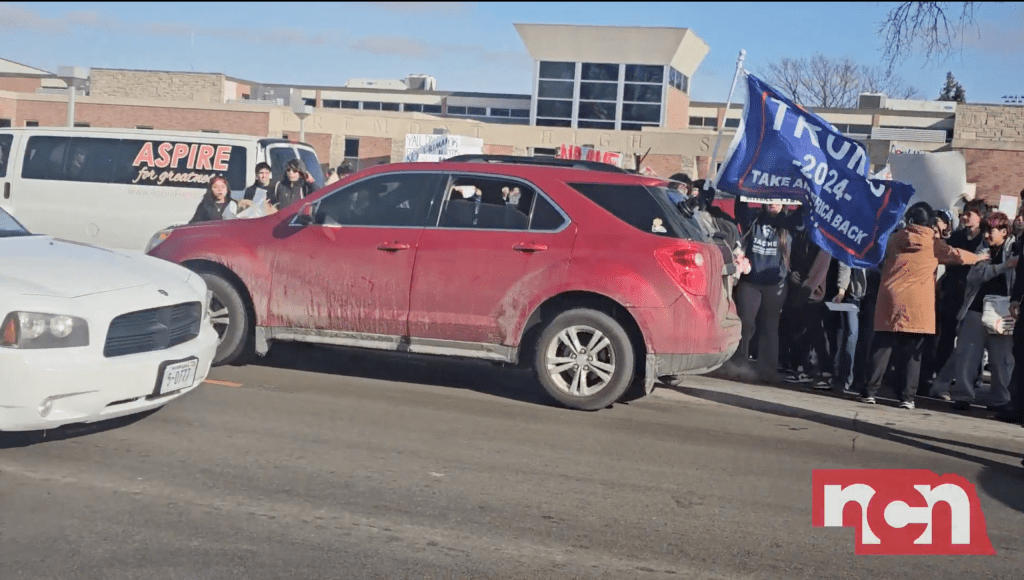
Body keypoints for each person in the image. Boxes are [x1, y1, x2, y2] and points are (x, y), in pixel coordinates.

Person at [860, 202, 987, 409]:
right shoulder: (933, 244)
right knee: (912, 354)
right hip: (918, 303)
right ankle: (907, 397)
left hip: (890, 299)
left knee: (882, 347)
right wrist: (979, 257)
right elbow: (956, 255)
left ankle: (870, 391)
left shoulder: (895, 238)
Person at [933, 212, 1017, 411]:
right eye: (986, 230)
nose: (987, 235)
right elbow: (976, 275)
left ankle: (1000, 398)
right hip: (975, 309)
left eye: (992, 231)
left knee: (1002, 359)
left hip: (1002, 313)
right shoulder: (982, 249)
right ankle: (963, 396)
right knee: (967, 355)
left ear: (1004, 232)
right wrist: (1003, 266)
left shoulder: (1015, 248)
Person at [730, 198, 804, 384]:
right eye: (770, 198)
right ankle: (739, 367)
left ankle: (767, 371)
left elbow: (804, 218)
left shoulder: (789, 222)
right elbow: (740, 208)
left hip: (776, 283)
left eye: (778, 199)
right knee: (746, 323)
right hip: (751, 281)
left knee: (770, 327)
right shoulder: (754, 218)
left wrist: (803, 195)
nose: (773, 202)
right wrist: (744, 190)